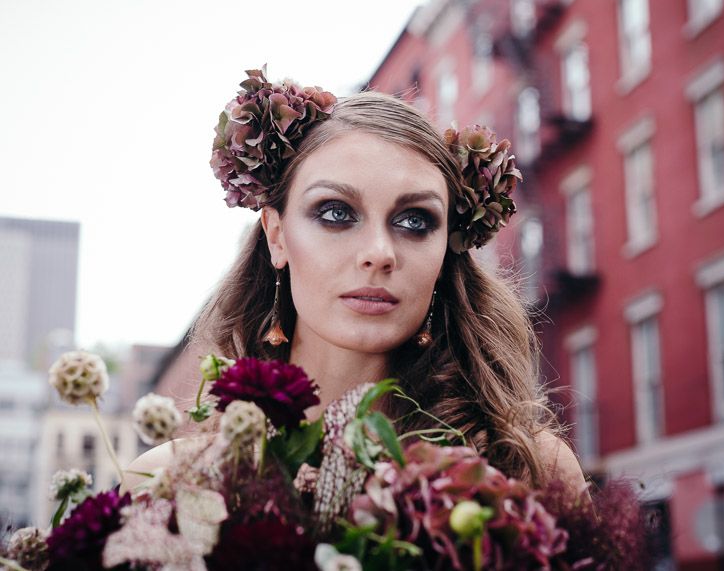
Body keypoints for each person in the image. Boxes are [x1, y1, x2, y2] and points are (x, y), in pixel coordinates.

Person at [125, 70, 585, 494]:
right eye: (336, 213)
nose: (379, 254)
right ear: (277, 236)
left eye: (415, 221)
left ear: (446, 252)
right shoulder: (166, 483)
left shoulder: (529, 471)